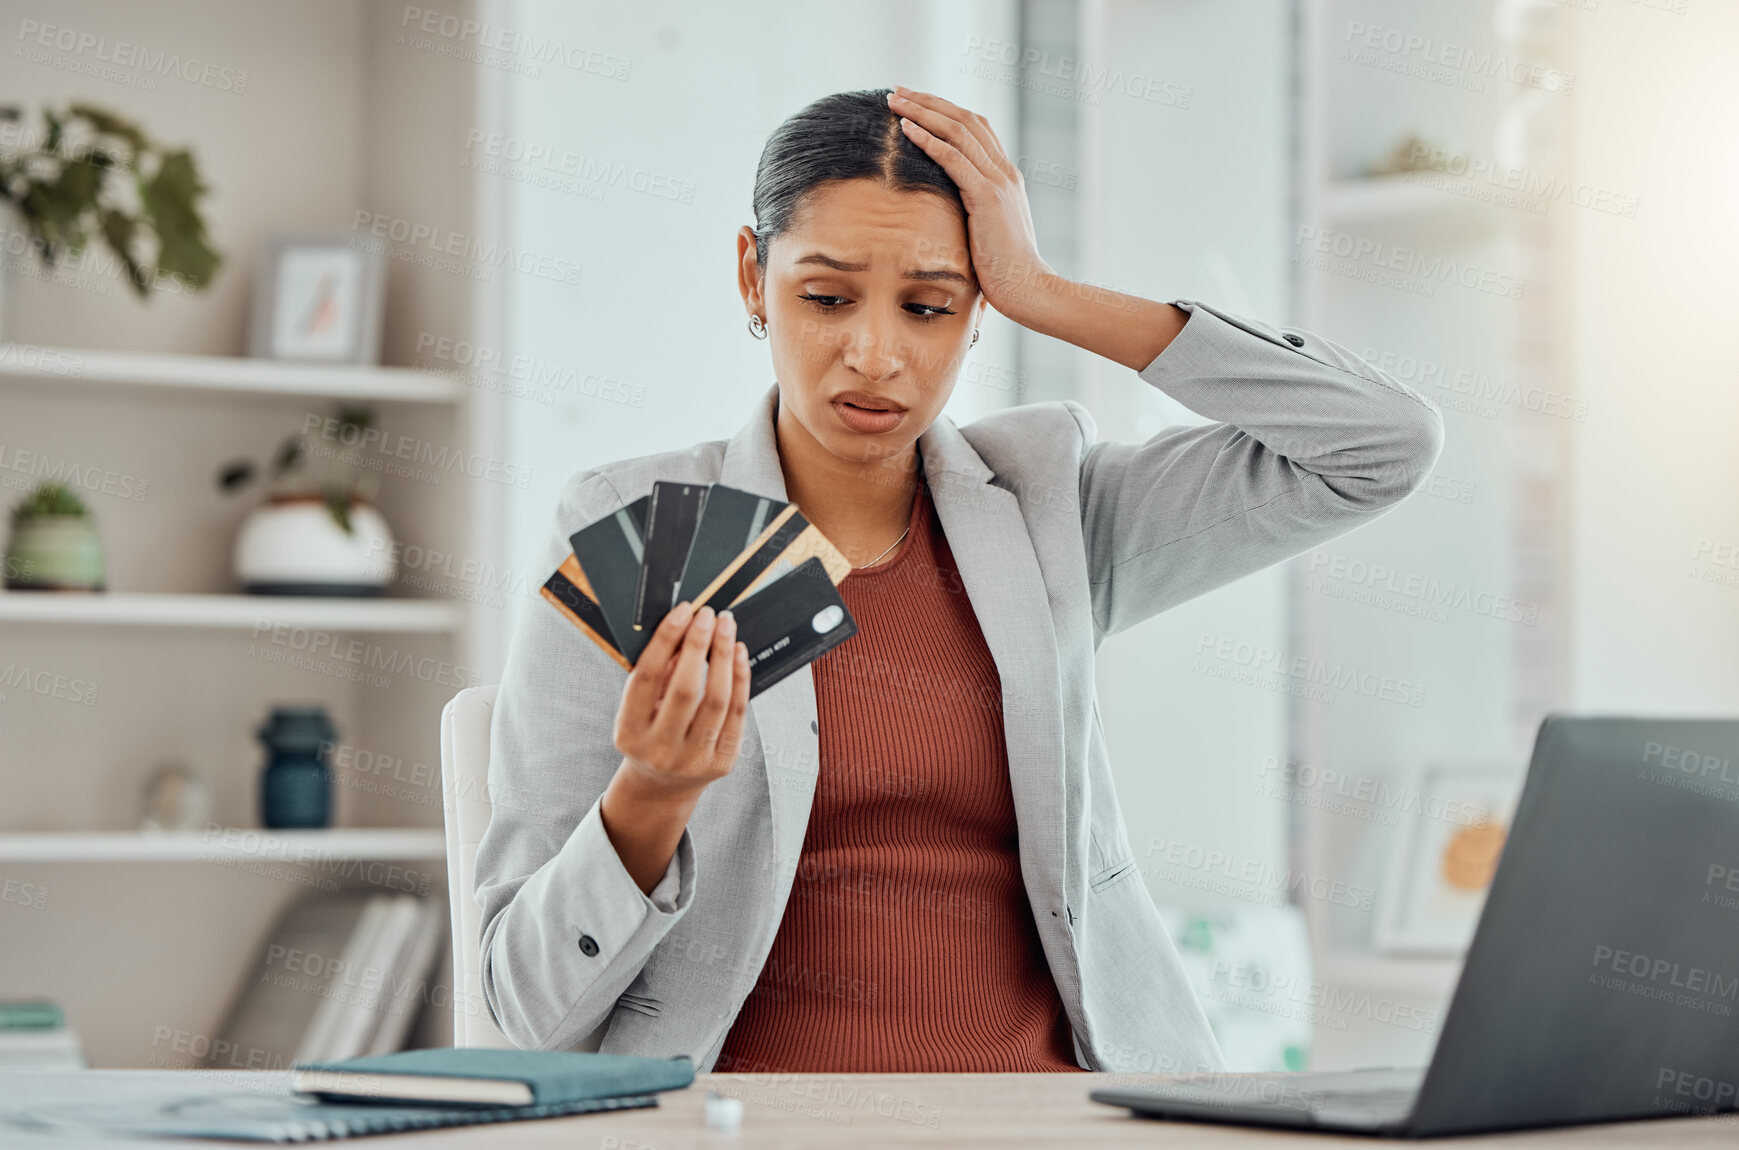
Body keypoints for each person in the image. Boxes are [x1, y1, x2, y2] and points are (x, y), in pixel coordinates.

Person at [473, 85, 1445, 1074]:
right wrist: (649, 796)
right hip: (752, 1119)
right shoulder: (634, 530)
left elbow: (1380, 445)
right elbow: (524, 1005)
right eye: (824, 297)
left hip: (1062, 1115)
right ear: (749, 277)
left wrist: (1047, 293)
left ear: (979, 311)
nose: (875, 354)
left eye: (930, 306)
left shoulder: (1046, 507)